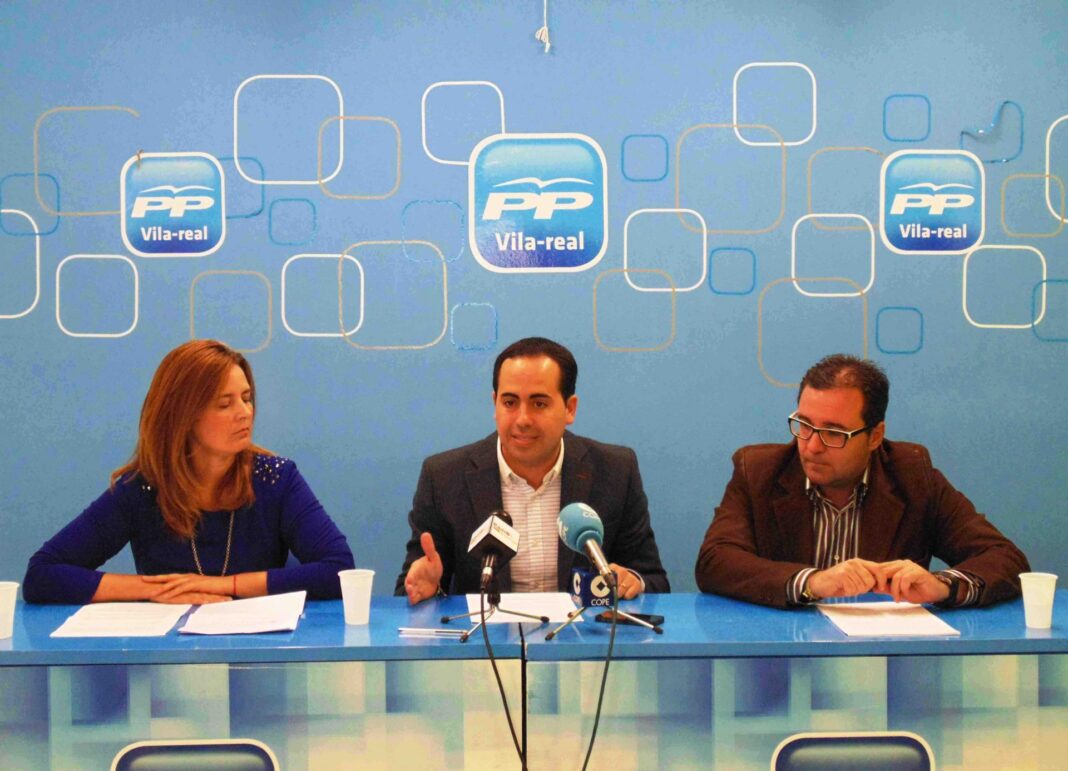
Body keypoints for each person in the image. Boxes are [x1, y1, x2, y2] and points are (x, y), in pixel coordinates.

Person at [23, 340, 354, 604]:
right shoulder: (143, 488)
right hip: (169, 653)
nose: (244, 413)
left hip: (261, 647)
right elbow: (42, 575)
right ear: (184, 416)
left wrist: (224, 585)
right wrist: (156, 589)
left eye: (247, 398)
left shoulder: (276, 478)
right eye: (224, 404)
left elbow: (339, 569)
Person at [695, 354, 1029, 608]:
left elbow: (1005, 558)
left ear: (875, 437)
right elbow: (715, 562)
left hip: (883, 657)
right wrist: (813, 582)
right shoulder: (758, 471)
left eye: (833, 433)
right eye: (804, 425)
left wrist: (942, 586)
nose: (811, 446)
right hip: (786, 653)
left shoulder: (913, 476)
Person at [397, 337, 669, 603]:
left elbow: (654, 580)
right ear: (495, 404)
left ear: (569, 409)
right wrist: (429, 589)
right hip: (486, 632)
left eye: (539, 404)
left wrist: (632, 581)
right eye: (510, 403)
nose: (522, 419)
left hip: (582, 632)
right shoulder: (443, 478)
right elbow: (411, 589)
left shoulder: (615, 472)